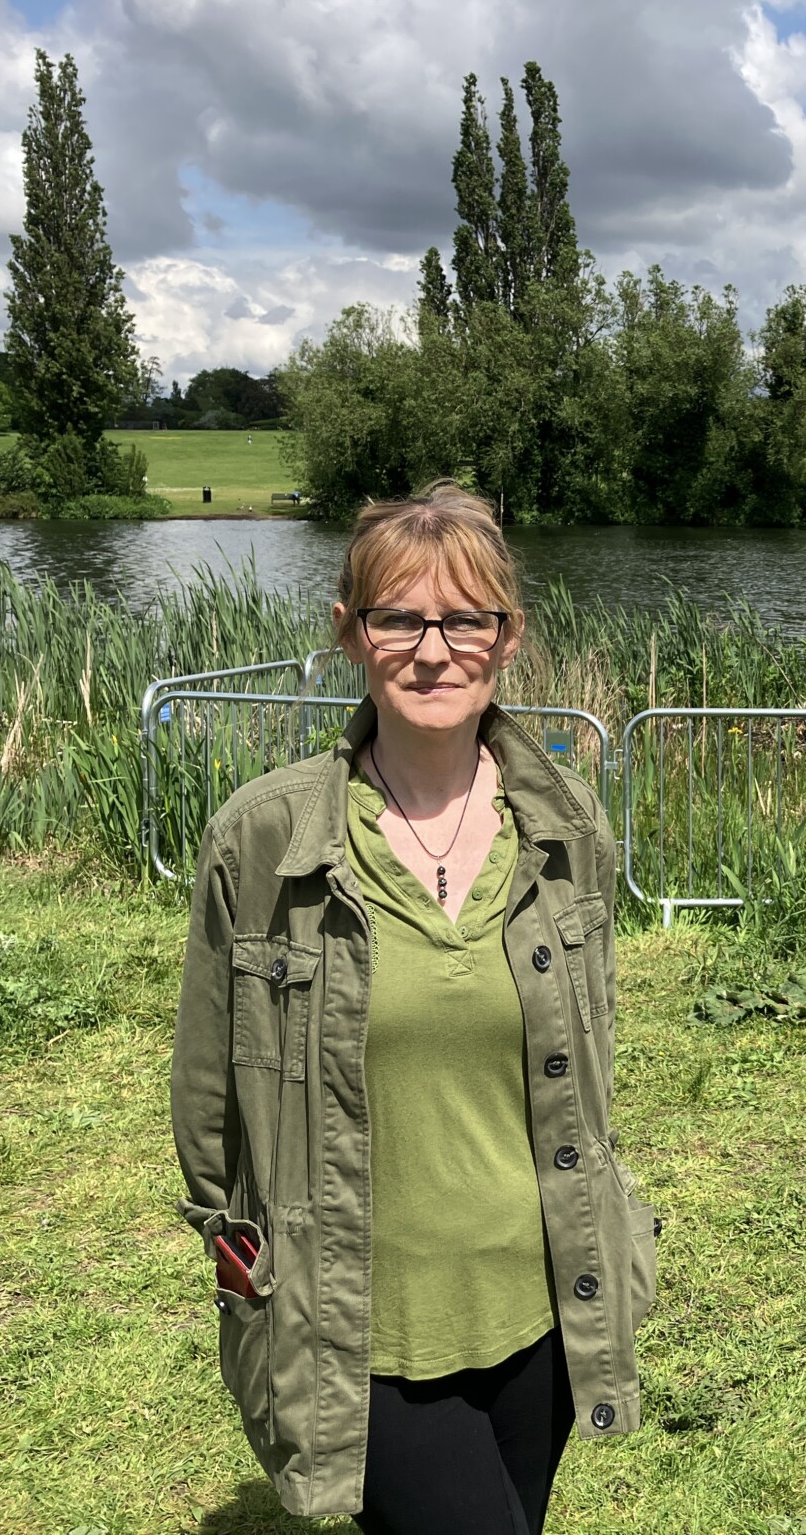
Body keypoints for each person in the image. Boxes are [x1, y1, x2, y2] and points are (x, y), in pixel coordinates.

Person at [170, 479, 657, 1531]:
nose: (433, 651)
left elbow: (591, 1059)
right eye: (398, 618)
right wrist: (241, 1253)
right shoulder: (263, 841)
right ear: (351, 632)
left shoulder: (567, 827)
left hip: (543, 1307)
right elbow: (208, 1096)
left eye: (465, 620)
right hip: (355, 1325)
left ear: (507, 637)